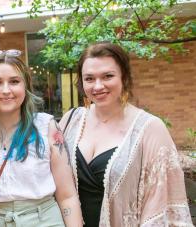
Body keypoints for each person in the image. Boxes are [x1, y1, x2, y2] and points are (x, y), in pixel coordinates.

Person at [59, 42, 193, 226]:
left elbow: (163, 202)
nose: (98, 86)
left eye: (108, 76)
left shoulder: (150, 129)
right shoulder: (69, 121)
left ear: (124, 77)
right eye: (89, 78)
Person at [0, 49, 83, 227]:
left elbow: (67, 196)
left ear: (25, 87)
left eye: (14, 81)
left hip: (46, 220)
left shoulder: (47, 126)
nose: (6, 90)